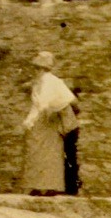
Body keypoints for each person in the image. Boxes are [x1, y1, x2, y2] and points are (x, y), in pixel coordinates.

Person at [21, 51, 80, 196]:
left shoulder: (54, 82)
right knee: (36, 153)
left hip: (51, 121)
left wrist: (55, 108)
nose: (35, 71)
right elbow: (36, 106)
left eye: (37, 68)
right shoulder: (37, 85)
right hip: (40, 121)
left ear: (42, 68)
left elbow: (71, 100)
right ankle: (36, 185)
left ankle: (49, 187)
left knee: (50, 154)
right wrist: (29, 121)